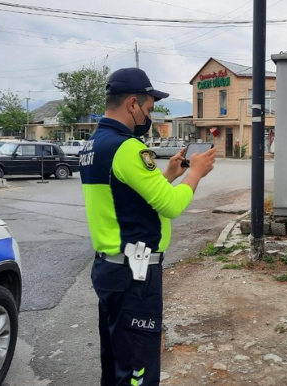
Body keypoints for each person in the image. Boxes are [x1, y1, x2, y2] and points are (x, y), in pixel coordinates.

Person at [80, 67, 216, 386]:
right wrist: (196, 173)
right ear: (132, 104)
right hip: (134, 277)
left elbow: (127, 198)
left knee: (116, 364)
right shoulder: (128, 148)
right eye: (149, 109)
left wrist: (170, 174)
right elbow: (171, 205)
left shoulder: (93, 145)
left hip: (110, 269)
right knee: (138, 370)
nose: (148, 116)